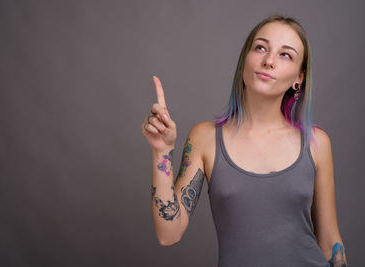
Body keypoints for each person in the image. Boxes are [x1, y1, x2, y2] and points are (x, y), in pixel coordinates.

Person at [140, 15, 348, 267]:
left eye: (286, 55)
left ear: (299, 78)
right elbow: (168, 233)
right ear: (245, 60)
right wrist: (162, 151)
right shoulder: (205, 138)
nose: (268, 61)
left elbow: (329, 243)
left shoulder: (316, 143)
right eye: (260, 47)